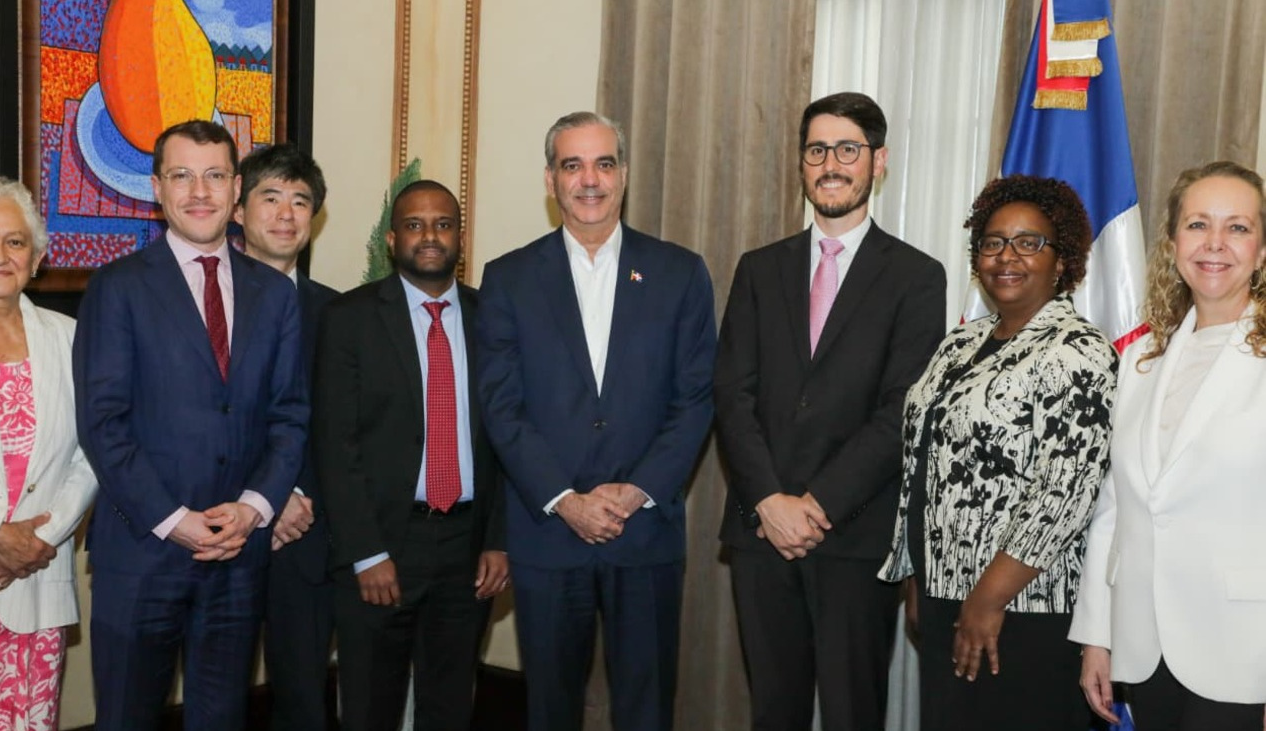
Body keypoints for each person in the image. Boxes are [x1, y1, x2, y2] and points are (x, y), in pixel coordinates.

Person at [713, 91, 945, 731]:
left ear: (878, 161)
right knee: (773, 712)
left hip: (855, 536)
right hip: (762, 534)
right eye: (817, 151)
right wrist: (770, 501)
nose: (831, 165)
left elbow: (903, 410)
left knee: (852, 713)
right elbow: (732, 395)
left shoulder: (917, 277)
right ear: (801, 163)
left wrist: (815, 506)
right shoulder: (759, 269)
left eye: (848, 149)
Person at [476, 111, 715, 731]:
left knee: (646, 710)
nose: (590, 180)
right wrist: (565, 500)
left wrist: (634, 493)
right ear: (550, 180)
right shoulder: (508, 278)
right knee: (551, 709)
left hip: (645, 534)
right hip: (548, 536)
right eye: (572, 165)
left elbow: (695, 400)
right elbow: (501, 406)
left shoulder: (680, 272)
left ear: (624, 175)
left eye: (604, 164)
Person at [74, 119, 308, 730]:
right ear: (157, 188)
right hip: (142, 552)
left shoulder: (275, 295)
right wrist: (175, 520)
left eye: (214, 176)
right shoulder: (117, 288)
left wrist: (254, 508)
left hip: (238, 557)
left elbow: (289, 415)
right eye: (182, 176)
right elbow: (103, 423)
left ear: (236, 189)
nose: (199, 192)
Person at [877, 175, 1117, 730]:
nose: (1007, 256)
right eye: (992, 242)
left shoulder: (1078, 351)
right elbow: (923, 463)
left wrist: (986, 600)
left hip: (1024, 608)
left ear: (1062, 261)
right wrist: (918, 576)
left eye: (1029, 242)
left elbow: (1063, 495)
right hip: (945, 593)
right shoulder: (961, 342)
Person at [1072, 161, 1266, 730]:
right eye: (1197, 224)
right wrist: (1097, 636)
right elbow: (1115, 509)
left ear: (1261, 252)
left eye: (1237, 228)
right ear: (1174, 243)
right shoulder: (1141, 358)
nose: (1214, 243)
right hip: (1144, 646)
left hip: (1244, 651)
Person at [316, 179, 507, 730]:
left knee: (450, 706)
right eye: (415, 225)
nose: (430, 236)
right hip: (383, 546)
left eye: (443, 225)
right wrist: (366, 553)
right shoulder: (349, 318)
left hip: (468, 550)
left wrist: (498, 540)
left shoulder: (492, 318)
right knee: (370, 708)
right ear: (392, 238)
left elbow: (506, 437)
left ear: (460, 237)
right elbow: (335, 444)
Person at [0, 178, 97, 729]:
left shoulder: (72, 338)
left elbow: (94, 449)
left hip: (38, 584)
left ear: (37, 258)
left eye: (15, 242)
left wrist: (40, 540)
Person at [234, 143, 339, 731]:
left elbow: (346, 428)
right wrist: (263, 499)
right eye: (270, 197)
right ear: (238, 208)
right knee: (217, 698)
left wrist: (298, 495)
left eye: (300, 201)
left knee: (303, 701)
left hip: (306, 535)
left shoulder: (340, 314)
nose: (285, 214)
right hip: (222, 526)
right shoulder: (205, 302)